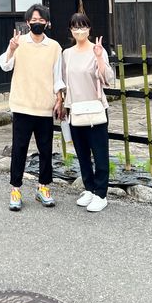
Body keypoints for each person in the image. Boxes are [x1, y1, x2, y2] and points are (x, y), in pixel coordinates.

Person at [0, 4, 65, 212]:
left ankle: (43, 187)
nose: (37, 23)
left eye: (41, 20)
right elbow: (4, 65)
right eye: (33, 20)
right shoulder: (20, 43)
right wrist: (11, 48)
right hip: (22, 104)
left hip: (45, 106)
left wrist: (59, 98)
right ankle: (15, 189)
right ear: (27, 23)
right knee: (19, 149)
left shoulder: (54, 47)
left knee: (46, 150)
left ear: (47, 22)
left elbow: (58, 77)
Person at [62, 12, 114, 213]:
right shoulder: (67, 54)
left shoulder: (97, 50)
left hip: (95, 109)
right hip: (75, 109)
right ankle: (90, 189)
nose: (79, 31)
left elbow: (107, 78)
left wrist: (100, 58)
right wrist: (62, 103)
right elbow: (64, 82)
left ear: (89, 29)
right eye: (75, 27)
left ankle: (101, 194)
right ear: (70, 30)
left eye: (83, 27)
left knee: (100, 154)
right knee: (82, 153)